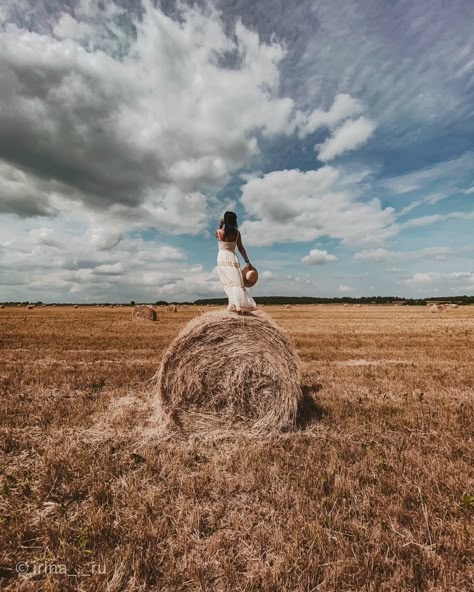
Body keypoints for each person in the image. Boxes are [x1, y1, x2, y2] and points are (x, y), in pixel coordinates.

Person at [214, 211, 257, 312]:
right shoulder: (237, 234)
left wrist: (221, 224)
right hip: (232, 258)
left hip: (222, 258)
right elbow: (241, 248)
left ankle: (233, 304)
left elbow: (216, 233)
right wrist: (247, 261)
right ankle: (235, 304)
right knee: (236, 282)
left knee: (228, 282)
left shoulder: (220, 232)